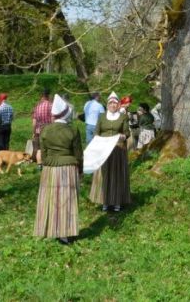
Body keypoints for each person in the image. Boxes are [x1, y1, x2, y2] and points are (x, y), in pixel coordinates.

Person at [35, 95, 83, 245]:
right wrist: (80, 171)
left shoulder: (45, 130)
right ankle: (66, 233)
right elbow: (78, 154)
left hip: (50, 168)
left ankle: (52, 229)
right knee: (67, 199)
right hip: (68, 168)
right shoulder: (73, 130)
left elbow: (43, 153)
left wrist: (46, 163)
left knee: (51, 199)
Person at [89, 92, 132, 212]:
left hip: (118, 149)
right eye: (110, 103)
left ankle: (117, 200)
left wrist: (123, 136)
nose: (113, 105)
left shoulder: (123, 117)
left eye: (115, 103)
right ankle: (105, 200)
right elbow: (96, 132)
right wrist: (97, 142)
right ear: (107, 104)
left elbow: (127, 132)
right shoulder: (102, 117)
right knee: (105, 174)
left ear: (118, 104)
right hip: (103, 149)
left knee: (116, 175)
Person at [30, 89, 53, 164]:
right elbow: (53, 119)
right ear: (48, 96)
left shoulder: (37, 106)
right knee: (49, 147)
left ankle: (39, 164)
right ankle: (48, 163)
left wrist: (34, 132)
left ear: (41, 96)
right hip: (49, 130)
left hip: (38, 131)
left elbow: (34, 122)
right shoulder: (51, 105)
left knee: (39, 148)